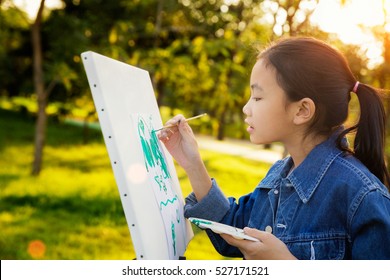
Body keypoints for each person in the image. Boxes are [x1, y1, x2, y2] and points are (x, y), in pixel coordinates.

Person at [158, 37, 390, 260]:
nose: (246, 108)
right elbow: (234, 228)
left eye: (257, 98)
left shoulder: (362, 197)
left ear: (301, 111)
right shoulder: (279, 175)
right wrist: (192, 162)